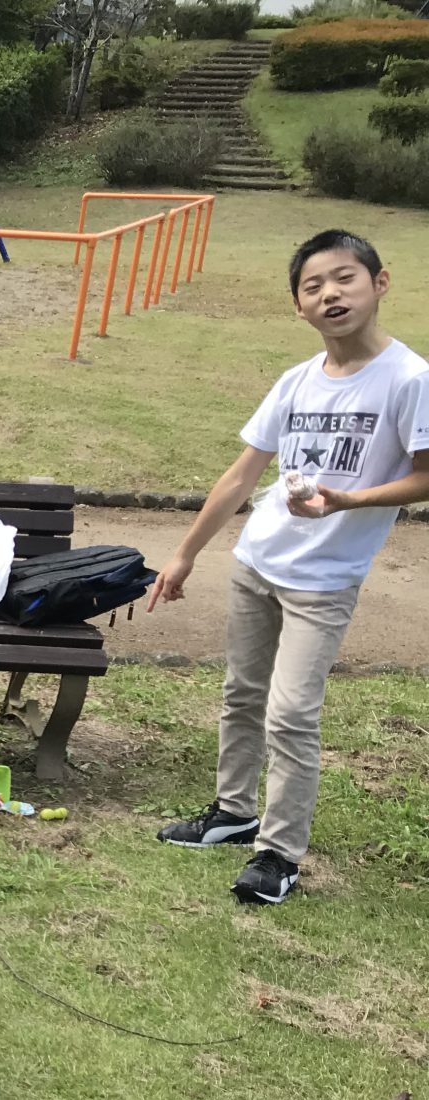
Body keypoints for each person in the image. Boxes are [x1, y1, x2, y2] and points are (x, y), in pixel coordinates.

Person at [148, 230, 429, 905]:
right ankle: (233, 811)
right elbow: (242, 474)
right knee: (242, 694)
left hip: (324, 581)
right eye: (313, 286)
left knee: (292, 714)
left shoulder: (410, 379)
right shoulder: (296, 380)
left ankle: (278, 853)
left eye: (344, 278)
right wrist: (186, 553)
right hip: (259, 560)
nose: (330, 294)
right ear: (298, 306)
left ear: (379, 283)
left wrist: (349, 500)